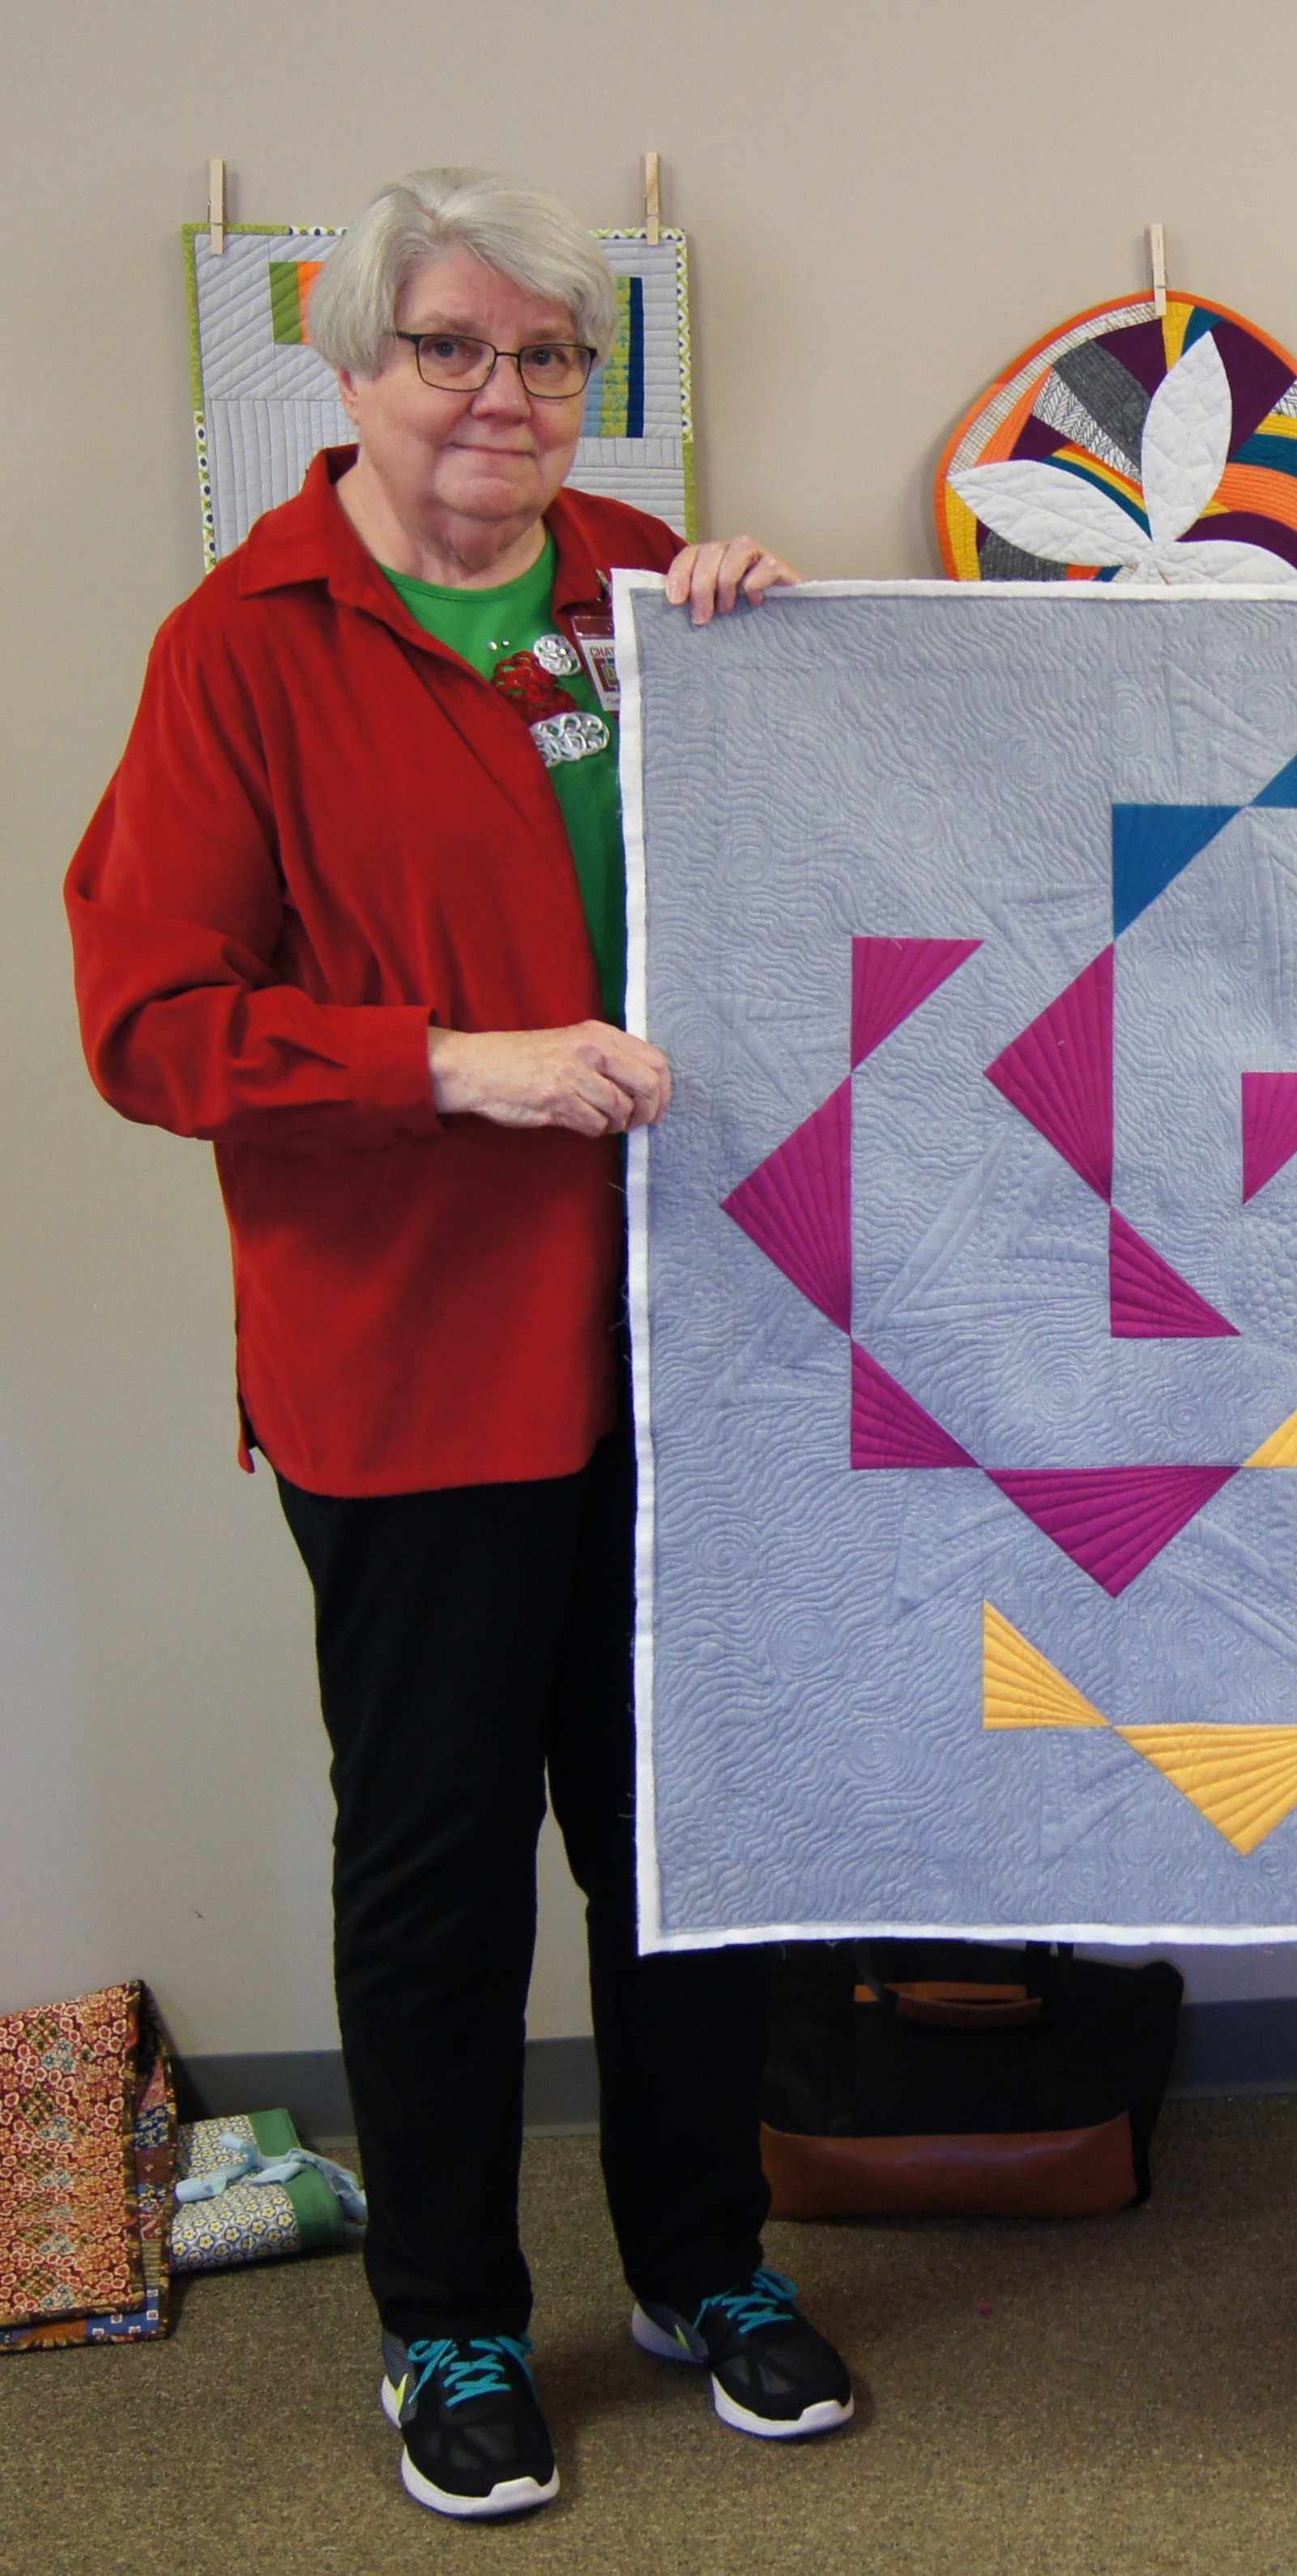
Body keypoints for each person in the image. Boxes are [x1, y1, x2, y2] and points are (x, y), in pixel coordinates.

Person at [68, 169, 843, 2523]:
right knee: (438, 1874)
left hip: (688, 1354)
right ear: (350, 366)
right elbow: (149, 1024)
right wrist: (453, 1066)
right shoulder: (243, 647)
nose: (501, 394)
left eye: (547, 355)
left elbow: (812, 894)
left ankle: (703, 2264)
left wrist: (791, 665)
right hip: (411, 1369)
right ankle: (449, 2320)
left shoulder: (649, 589)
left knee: (678, 1850)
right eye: (449, 348)